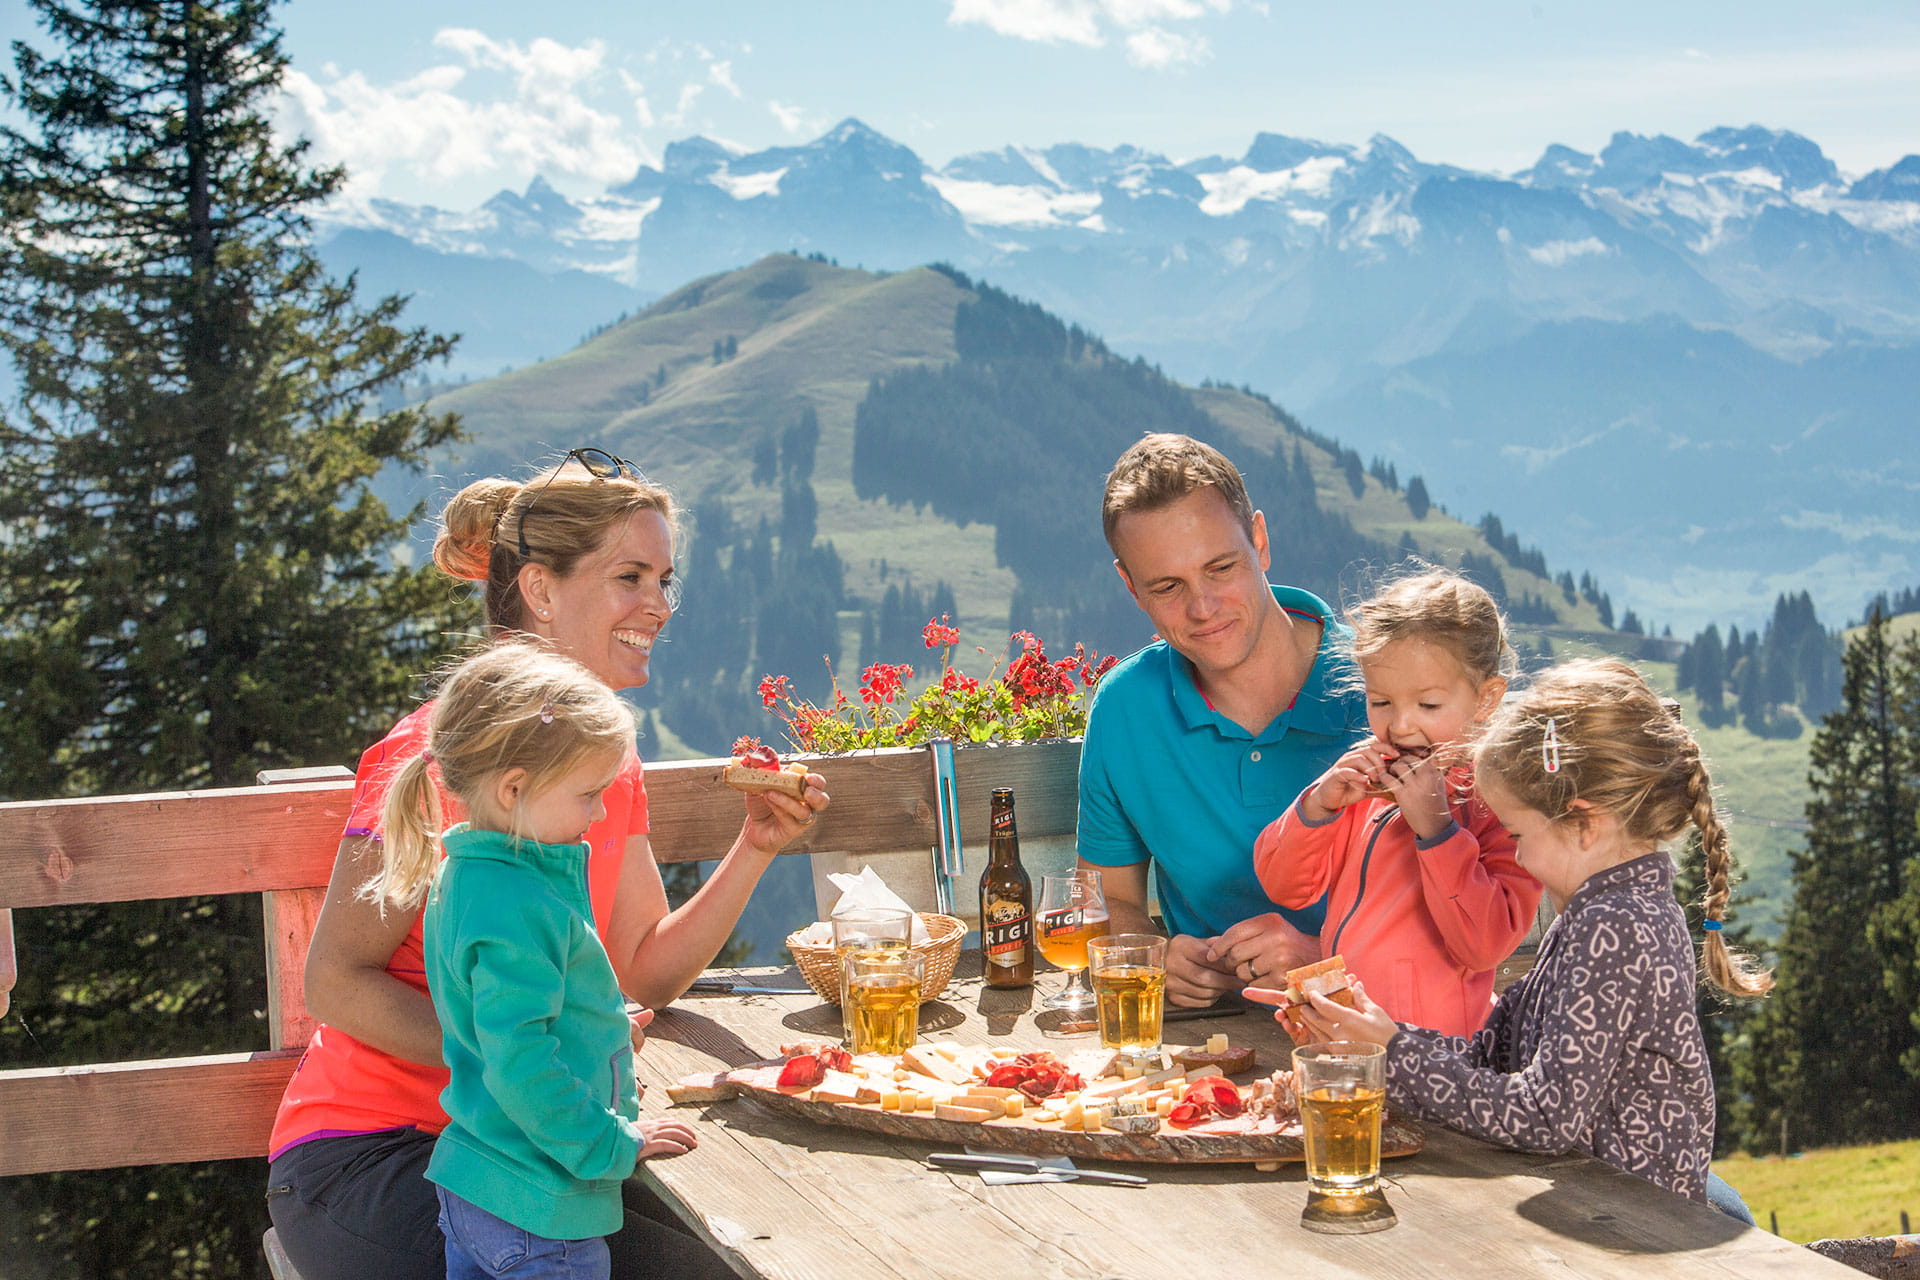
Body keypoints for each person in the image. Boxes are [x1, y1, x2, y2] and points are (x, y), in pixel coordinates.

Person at [267, 449, 823, 1280]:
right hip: (373, 1156)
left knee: (757, 1250)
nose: (658, 606)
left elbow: (644, 966)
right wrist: (519, 1051)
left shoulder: (606, 766)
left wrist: (755, 848)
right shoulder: (438, 756)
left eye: (665, 581)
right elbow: (335, 984)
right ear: (538, 589)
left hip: (534, 1140)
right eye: (631, 577)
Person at [1253, 657, 1772, 1212]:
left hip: (1627, 1212)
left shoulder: (1615, 925)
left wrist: (1395, 1053)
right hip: (1587, 1196)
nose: (1518, 856)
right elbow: (1496, 1056)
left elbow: (1544, 1117)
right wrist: (1375, 1037)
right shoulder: (1599, 909)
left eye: (1520, 833)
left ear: (1584, 823)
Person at [368, 642, 700, 1279]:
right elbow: (519, 1063)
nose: (601, 812)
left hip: (478, 1178)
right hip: (538, 1206)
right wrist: (611, 1144)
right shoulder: (518, 902)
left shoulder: (469, 875)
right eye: (587, 793)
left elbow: (506, 1022)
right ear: (514, 787)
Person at [1075, 433, 1369, 1007]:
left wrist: (1322, 957)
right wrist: (1149, 954)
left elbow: (1470, 908)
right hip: (1212, 1044)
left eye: (1220, 567)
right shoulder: (1124, 708)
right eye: (1167, 586)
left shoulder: (1385, 688)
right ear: (1130, 586)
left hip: (1381, 1031)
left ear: (1259, 542)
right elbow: (1109, 899)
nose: (1202, 607)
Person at [1252, 567, 1540, 1037]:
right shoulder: (1365, 786)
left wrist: (1438, 832)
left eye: (1428, 706)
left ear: (1486, 699)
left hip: (1438, 1057)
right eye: (1381, 702)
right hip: (1348, 1037)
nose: (1401, 726)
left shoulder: (1502, 804)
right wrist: (1318, 807)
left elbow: (1485, 944)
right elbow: (1286, 888)